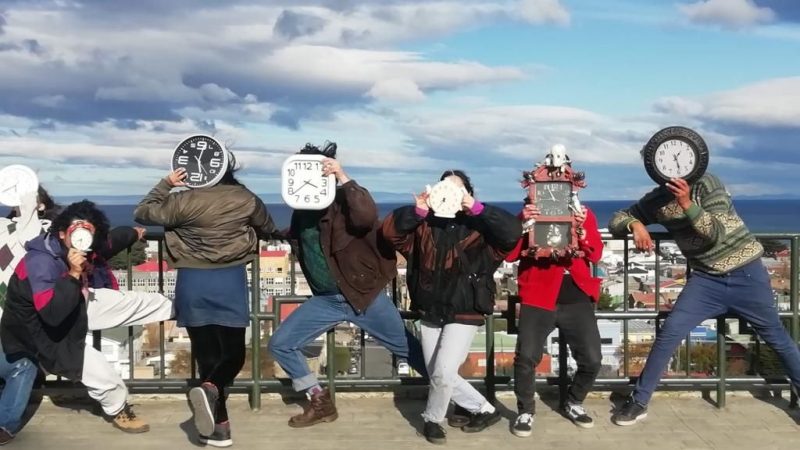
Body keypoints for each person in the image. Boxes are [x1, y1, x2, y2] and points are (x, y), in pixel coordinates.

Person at [608, 173, 800, 425]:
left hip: (747, 274)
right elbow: (616, 219)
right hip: (706, 280)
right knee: (670, 332)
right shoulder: (656, 200)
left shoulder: (707, 184)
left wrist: (687, 203)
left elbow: (716, 234)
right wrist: (635, 224)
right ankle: (640, 401)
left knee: (777, 337)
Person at [267, 143, 427, 429]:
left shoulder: (343, 202)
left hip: (364, 294)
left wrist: (343, 176)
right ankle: (320, 401)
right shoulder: (301, 211)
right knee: (281, 344)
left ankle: (453, 398)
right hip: (327, 300)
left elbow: (366, 216)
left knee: (409, 350)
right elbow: (298, 237)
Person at [0, 200, 174, 439]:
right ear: (62, 234)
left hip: (74, 302)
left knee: (133, 301)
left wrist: (134, 232)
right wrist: (73, 273)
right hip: (42, 331)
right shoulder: (40, 263)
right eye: (77, 233)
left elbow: (112, 242)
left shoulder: (87, 246)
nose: (84, 240)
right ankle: (118, 408)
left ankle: (184, 309)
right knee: (100, 372)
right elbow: (52, 314)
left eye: (90, 233)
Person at [135, 159, 278, 447]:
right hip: (230, 280)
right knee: (233, 354)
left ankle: (217, 427)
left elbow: (142, 212)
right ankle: (213, 395)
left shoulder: (181, 200)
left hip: (192, 281)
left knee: (208, 356)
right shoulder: (245, 198)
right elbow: (268, 226)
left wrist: (167, 183)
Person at [382, 170, 521, 445]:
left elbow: (512, 232)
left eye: (458, 188)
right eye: (445, 186)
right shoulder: (424, 226)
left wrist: (478, 209)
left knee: (443, 371)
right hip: (431, 307)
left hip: (466, 308)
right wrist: (417, 211)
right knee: (437, 371)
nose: (450, 192)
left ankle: (432, 419)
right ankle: (484, 409)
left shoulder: (481, 229)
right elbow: (390, 233)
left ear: (468, 192)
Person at [506, 196, 604, 437]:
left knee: (592, 358)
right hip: (537, 294)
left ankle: (574, 401)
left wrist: (581, 229)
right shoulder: (527, 214)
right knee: (526, 356)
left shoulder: (584, 213)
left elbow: (596, 254)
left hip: (577, 295)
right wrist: (523, 222)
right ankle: (526, 410)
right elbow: (510, 255)